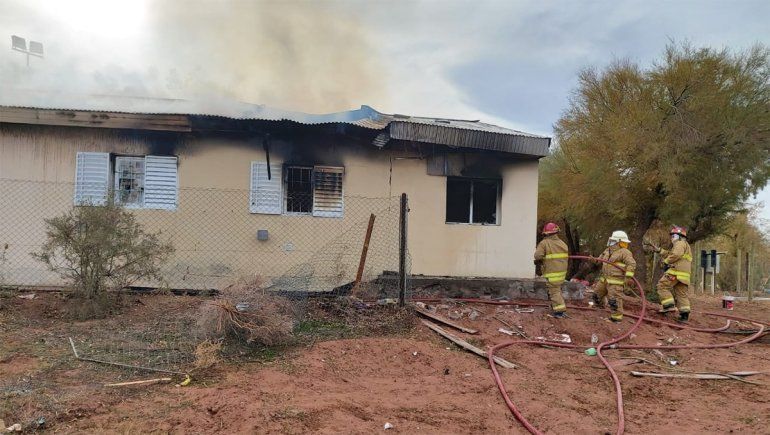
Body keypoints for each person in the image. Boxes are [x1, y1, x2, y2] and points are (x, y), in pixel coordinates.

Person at [592, 230, 636, 322]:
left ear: (617, 241)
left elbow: (631, 264)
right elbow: (599, 260)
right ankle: (599, 309)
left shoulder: (625, 252)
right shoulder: (607, 250)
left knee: (614, 300)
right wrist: (593, 260)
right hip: (604, 280)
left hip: (616, 281)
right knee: (596, 295)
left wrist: (628, 277)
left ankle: (616, 318)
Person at [656, 226, 693, 322]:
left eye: (673, 236)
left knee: (662, 286)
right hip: (684, 275)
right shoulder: (685, 245)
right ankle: (684, 315)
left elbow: (675, 255)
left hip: (676, 272)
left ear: (679, 236)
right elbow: (672, 254)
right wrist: (660, 251)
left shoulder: (679, 243)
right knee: (681, 294)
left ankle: (668, 305)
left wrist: (666, 262)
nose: (672, 238)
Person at [534, 222, 569, 318]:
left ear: (546, 233)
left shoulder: (544, 243)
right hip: (562, 273)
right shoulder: (563, 244)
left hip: (552, 272)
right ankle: (556, 306)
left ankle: (559, 311)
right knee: (557, 289)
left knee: (554, 291)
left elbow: (537, 256)